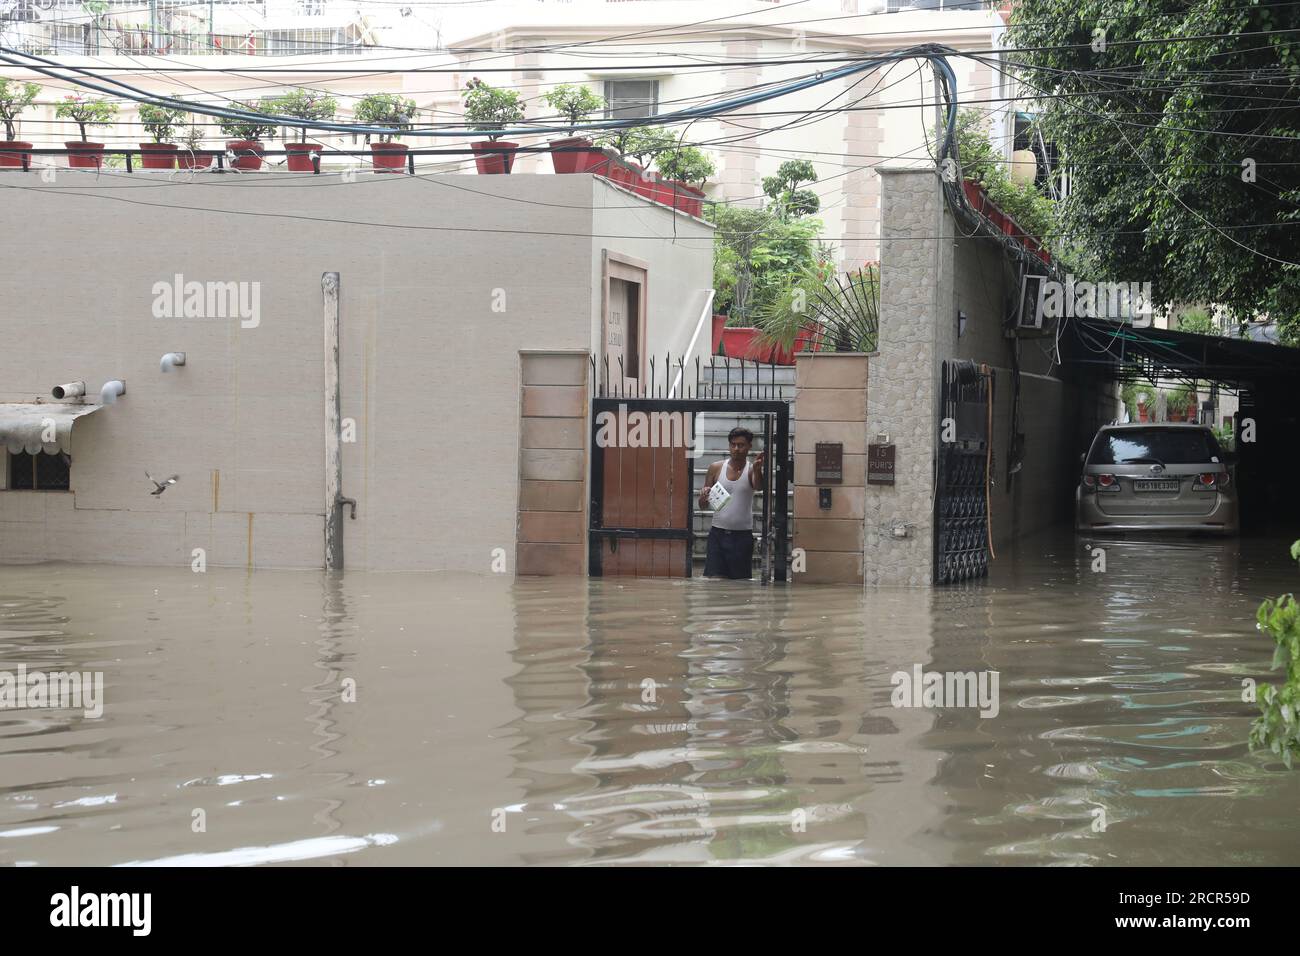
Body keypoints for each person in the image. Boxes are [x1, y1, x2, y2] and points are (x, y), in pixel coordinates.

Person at [699, 427, 765, 580]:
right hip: (717, 534)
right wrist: (703, 496)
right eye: (733, 444)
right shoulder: (716, 468)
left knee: (740, 583)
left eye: (741, 445)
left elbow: (759, 487)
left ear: (749, 446)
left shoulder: (751, 469)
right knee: (714, 581)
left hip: (742, 537)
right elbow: (703, 505)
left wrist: (757, 469)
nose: (736, 449)